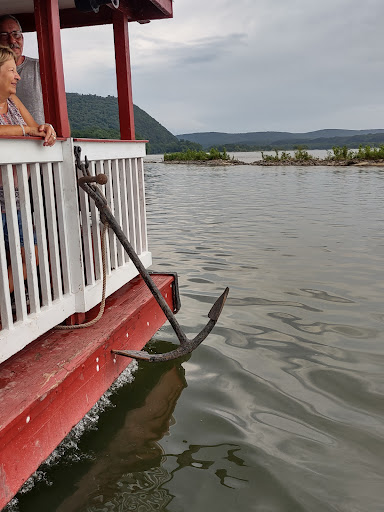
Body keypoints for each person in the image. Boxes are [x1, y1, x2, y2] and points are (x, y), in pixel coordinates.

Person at [0, 45, 56, 295]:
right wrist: (25, 131)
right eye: (12, 70)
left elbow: (35, 127)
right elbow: (27, 130)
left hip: (16, 199)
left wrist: (47, 128)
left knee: (29, 257)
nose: (18, 76)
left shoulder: (11, 100)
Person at [0, 14, 44, 125]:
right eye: (4, 35)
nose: (12, 40)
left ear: (23, 38)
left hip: (39, 142)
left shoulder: (40, 67)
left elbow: (59, 105)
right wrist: (28, 130)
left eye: (16, 34)